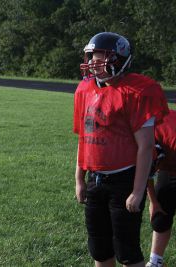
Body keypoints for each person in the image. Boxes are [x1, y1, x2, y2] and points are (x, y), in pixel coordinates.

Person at [73, 32, 169, 267]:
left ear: (119, 59)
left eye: (102, 58)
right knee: (99, 249)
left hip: (123, 180)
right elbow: (84, 139)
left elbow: (145, 147)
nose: (95, 64)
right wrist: (79, 179)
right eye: (93, 58)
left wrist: (137, 191)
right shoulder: (85, 90)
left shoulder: (137, 91)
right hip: (95, 179)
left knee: (126, 250)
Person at [145, 110, 176, 267]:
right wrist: (153, 202)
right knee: (160, 215)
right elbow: (146, 174)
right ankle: (155, 261)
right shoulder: (144, 133)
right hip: (168, 162)